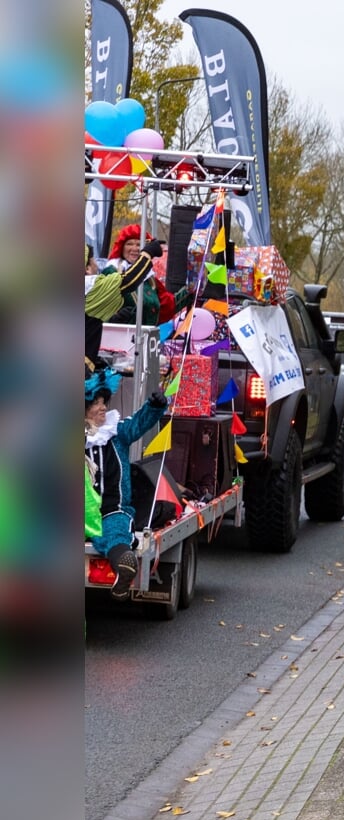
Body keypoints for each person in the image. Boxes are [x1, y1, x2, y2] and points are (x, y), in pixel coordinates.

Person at [85, 360, 169, 600]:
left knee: (115, 532)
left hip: (112, 509)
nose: (102, 408)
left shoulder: (116, 432)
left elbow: (138, 424)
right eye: (96, 403)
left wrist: (154, 407)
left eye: (103, 402)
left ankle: (124, 564)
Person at [85, 241, 161, 364]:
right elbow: (128, 281)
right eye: (93, 261)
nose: (97, 266)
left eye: (138, 244)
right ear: (87, 268)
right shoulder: (91, 285)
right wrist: (147, 254)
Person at [104, 224, 175, 326]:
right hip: (118, 337)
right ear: (122, 247)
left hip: (147, 338)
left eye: (139, 244)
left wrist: (191, 290)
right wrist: (113, 319)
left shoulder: (150, 279)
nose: (135, 248)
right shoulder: (111, 272)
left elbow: (168, 306)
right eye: (129, 244)